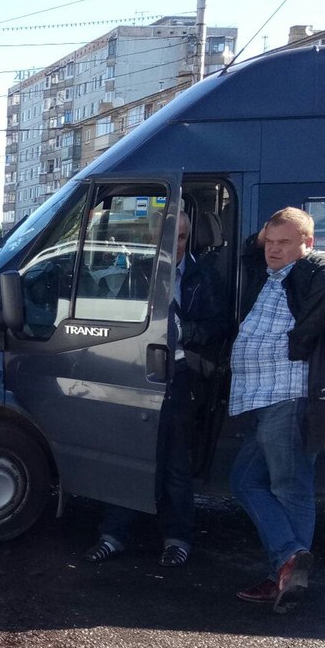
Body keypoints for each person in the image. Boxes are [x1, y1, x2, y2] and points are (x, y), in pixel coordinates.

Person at [228, 207, 325, 612]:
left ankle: (286, 569)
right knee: (244, 481)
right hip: (261, 396)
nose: (273, 249)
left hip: (288, 395)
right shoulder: (269, 270)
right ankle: (289, 562)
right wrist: (268, 234)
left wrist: (297, 343)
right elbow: (250, 248)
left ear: (308, 244)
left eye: (284, 243)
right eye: (270, 241)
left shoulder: (315, 268)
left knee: (291, 487)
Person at [84, 208, 228, 567]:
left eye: (181, 237)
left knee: (175, 463)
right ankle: (113, 535)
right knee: (128, 458)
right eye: (168, 237)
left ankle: (177, 539)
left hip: (179, 376)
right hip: (136, 375)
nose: (175, 245)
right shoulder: (137, 272)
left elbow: (220, 325)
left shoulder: (201, 275)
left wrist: (187, 331)